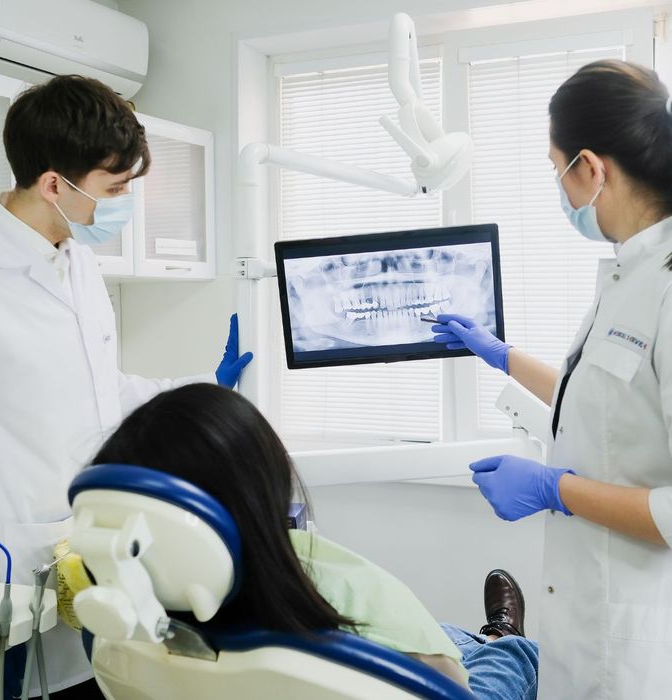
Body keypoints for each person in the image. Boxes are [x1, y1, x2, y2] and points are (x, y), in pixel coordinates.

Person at [0, 75, 252, 698]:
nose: (124, 203)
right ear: (53, 184)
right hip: (4, 572)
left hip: (86, 550)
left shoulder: (76, 261)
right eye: (115, 188)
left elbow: (103, 390)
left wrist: (207, 387)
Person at [431, 59, 672, 698]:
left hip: (635, 639)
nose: (558, 185)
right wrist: (500, 355)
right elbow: (601, 402)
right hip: (587, 615)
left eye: (555, 166)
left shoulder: (668, 286)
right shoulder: (628, 274)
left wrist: (554, 488)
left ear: (592, 168)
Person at [89, 382, 539, 699]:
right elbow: (449, 687)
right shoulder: (345, 590)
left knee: (445, 633)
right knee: (508, 659)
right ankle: (504, 637)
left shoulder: (125, 632)